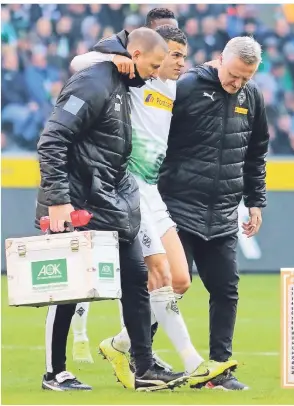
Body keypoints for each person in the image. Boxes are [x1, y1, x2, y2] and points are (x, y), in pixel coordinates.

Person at [70, 17, 238, 390]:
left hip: (153, 190)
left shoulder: (176, 86)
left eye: (184, 56)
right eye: (175, 56)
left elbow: (209, 73)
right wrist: (114, 60)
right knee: (159, 275)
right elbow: (78, 65)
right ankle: (194, 364)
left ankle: (119, 344)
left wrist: (220, 66)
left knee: (179, 280)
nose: (181, 62)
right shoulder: (132, 80)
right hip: (128, 186)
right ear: (154, 56)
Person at [35, 27, 185, 392]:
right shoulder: (94, 82)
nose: (153, 74)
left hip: (115, 200)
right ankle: (55, 373)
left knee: (136, 280)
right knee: (70, 288)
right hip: (79, 202)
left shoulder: (121, 84)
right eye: (152, 65)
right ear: (133, 55)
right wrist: (58, 200)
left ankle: (144, 369)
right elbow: (52, 139)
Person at [158, 36, 270, 390]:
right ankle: (139, 358)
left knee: (226, 289)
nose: (237, 84)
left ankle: (220, 370)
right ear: (220, 59)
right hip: (176, 206)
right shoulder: (186, 86)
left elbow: (256, 153)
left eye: (246, 78)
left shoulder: (252, 98)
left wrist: (255, 201)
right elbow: (154, 138)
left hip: (222, 211)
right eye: (234, 75)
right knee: (171, 287)